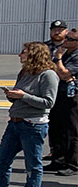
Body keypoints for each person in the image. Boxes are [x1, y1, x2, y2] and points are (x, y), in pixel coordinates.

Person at [0, 42, 59, 187]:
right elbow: (20, 96)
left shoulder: (48, 75)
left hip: (33, 125)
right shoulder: (24, 72)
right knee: (2, 160)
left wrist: (23, 96)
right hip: (15, 122)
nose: (19, 55)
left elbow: (48, 102)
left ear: (34, 55)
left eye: (23, 52)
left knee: (33, 165)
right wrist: (12, 96)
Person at [45, 29, 78, 175]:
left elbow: (65, 73)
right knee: (56, 127)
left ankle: (73, 163)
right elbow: (52, 70)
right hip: (58, 93)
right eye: (67, 38)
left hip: (72, 96)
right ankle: (58, 160)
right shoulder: (66, 53)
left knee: (71, 130)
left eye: (70, 39)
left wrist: (58, 58)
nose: (66, 41)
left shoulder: (73, 56)